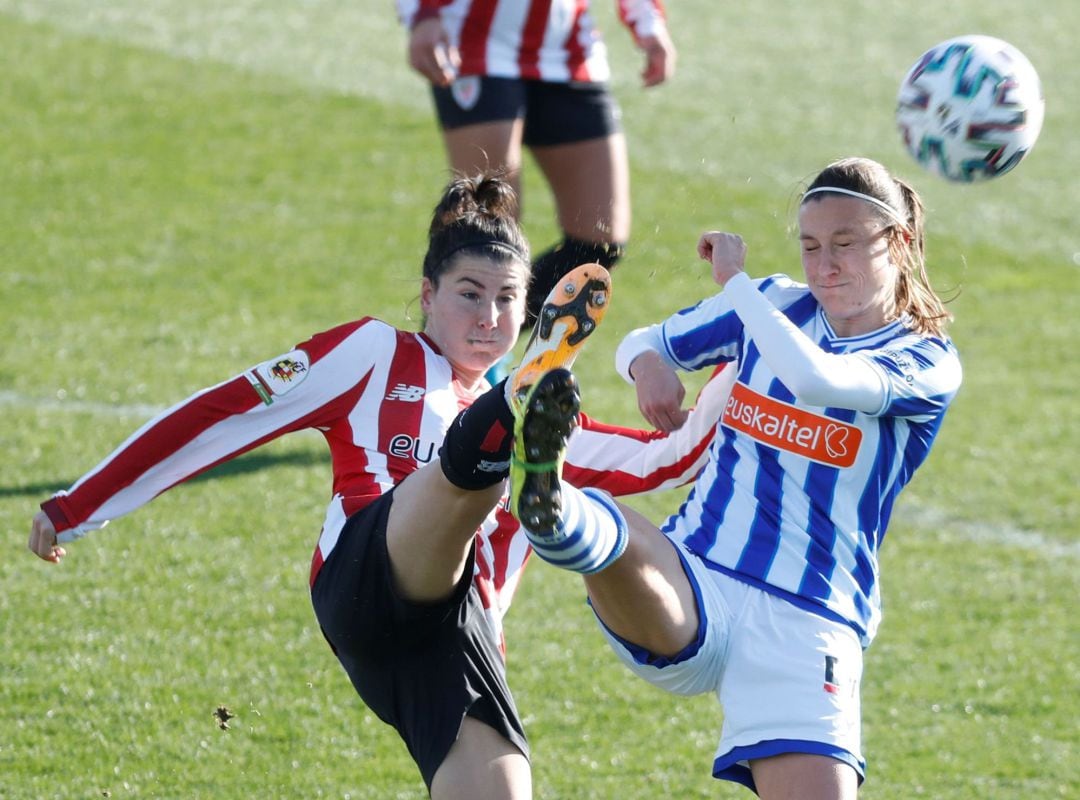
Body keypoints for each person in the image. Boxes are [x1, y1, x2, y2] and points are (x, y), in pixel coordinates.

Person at [28, 173, 730, 799]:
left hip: (453, 639)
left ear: (527, 312)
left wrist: (745, 326)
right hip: (366, 573)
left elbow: (674, 457)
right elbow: (226, 412)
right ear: (427, 296)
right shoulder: (373, 353)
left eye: (507, 301)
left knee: (505, 791)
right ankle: (496, 427)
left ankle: (501, 427)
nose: (487, 318)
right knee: (475, 474)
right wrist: (78, 506)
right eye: (469, 295)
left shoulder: (556, 423)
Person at [505, 157, 964, 799]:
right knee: (611, 531)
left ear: (901, 242)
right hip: (698, 573)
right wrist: (649, 367)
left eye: (846, 244)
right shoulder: (776, 302)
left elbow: (819, 379)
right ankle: (551, 507)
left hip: (809, 618)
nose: (824, 265)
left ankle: (560, 512)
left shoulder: (926, 361)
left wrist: (737, 286)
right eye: (810, 245)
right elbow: (641, 340)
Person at [396, 0, 677, 328]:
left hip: (569, 49)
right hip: (476, 38)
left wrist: (648, 22)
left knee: (599, 243)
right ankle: (438, 368)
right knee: (484, 238)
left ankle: (504, 358)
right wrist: (423, 13)